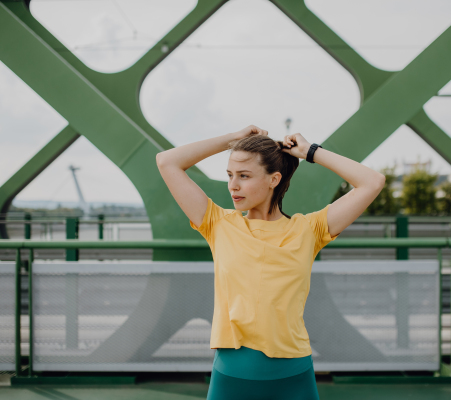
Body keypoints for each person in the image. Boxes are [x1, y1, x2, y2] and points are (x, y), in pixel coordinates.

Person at [156, 125, 385, 400]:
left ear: (274, 179)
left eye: (244, 176)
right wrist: (232, 140)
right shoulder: (217, 224)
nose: (233, 185)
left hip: (294, 376)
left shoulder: (308, 230)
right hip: (232, 376)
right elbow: (167, 161)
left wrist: (311, 152)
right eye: (230, 175)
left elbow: (373, 182)